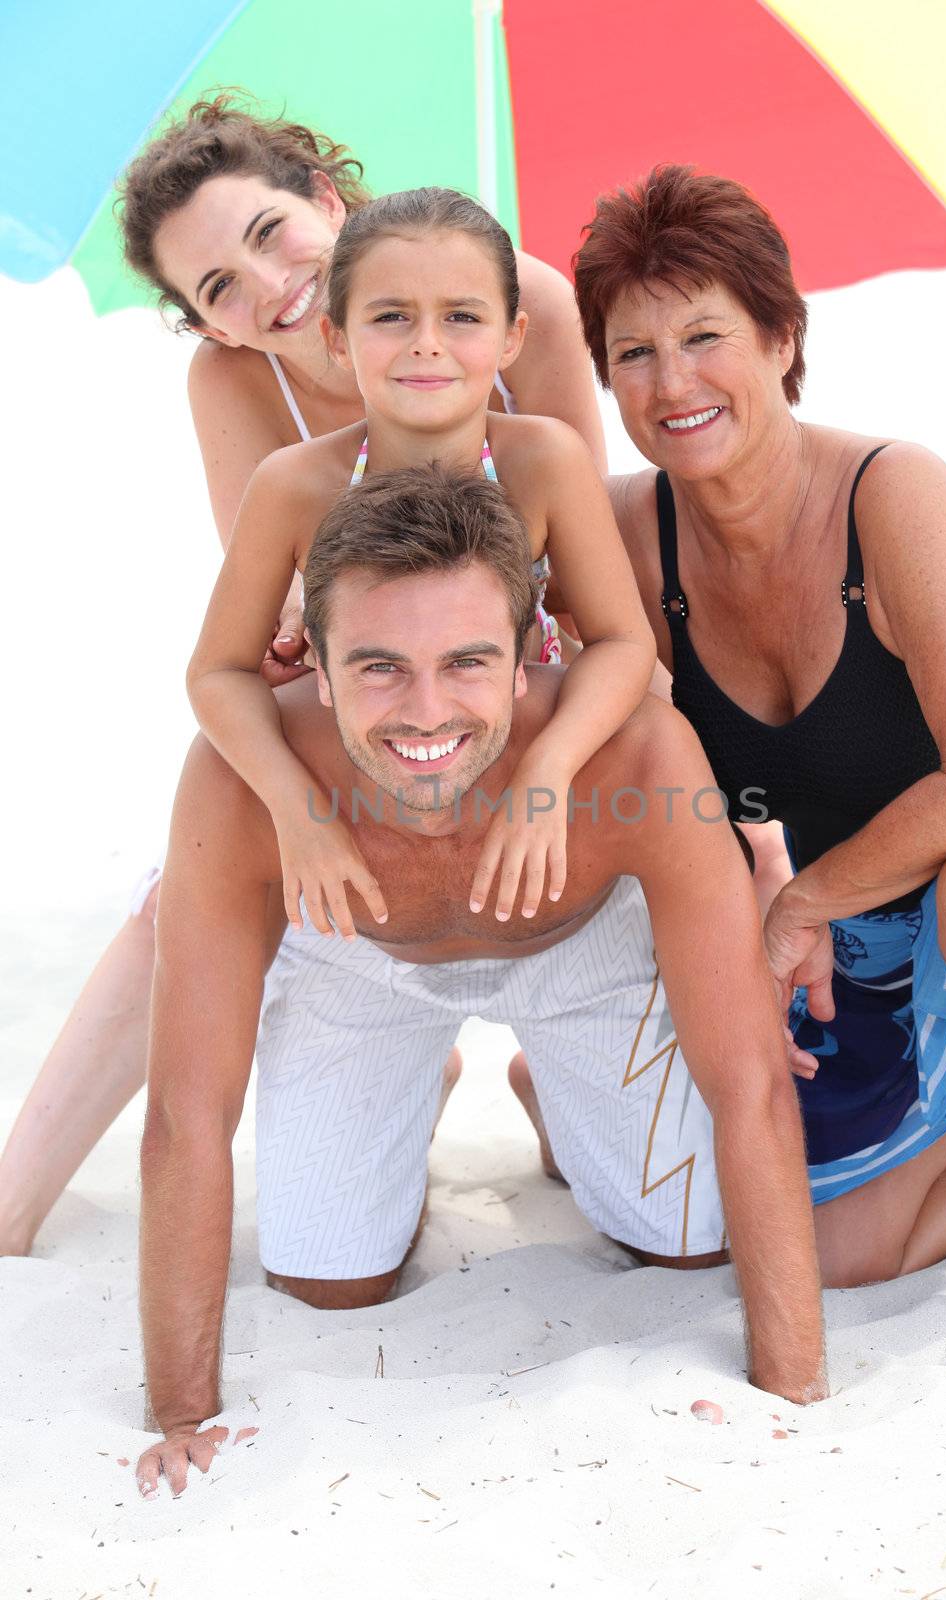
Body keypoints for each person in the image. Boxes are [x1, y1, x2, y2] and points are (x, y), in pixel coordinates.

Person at [134, 465, 826, 1497]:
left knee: (686, 1248)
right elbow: (187, 1112)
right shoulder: (243, 776)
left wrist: (793, 1389)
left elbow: (750, 1084)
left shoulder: (634, 756)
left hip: (576, 953)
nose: (424, 711)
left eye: (466, 662)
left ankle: (548, 1088)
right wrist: (181, 1412)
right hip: (359, 955)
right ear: (313, 669)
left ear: (519, 664)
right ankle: (422, 1075)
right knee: (327, 1282)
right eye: (376, 667)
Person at [0, 94, 608, 1255]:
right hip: (364, 693)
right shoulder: (236, 388)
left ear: (328, 200)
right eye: (217, 289)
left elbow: (600, 548)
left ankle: (550, 1082)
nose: (266, 286)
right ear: (206, 326)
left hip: (527, 674)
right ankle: (16, 1197)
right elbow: (274, 612)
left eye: (270, 233)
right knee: (191, 865)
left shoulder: (517, 299)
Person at [572, 165, 946, 1312]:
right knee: (819, 1248)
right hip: (866, 905)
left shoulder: (891, 491)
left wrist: (799, 903)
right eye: (631, 351)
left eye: (705, 336)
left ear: (782, 337)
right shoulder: (630, 534)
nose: (670, 381)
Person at [185, 185, 655, 935]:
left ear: (511, 337)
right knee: (208, 780)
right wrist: (298, 813)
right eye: (391, 317)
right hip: (373, 758)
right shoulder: (293, 486)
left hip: (528, 735)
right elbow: (217, 671)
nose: (426, 343)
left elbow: (623, 640)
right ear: (339, 339)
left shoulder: (542, 460)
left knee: (664, 741)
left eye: (462, 316)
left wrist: (547, 772)